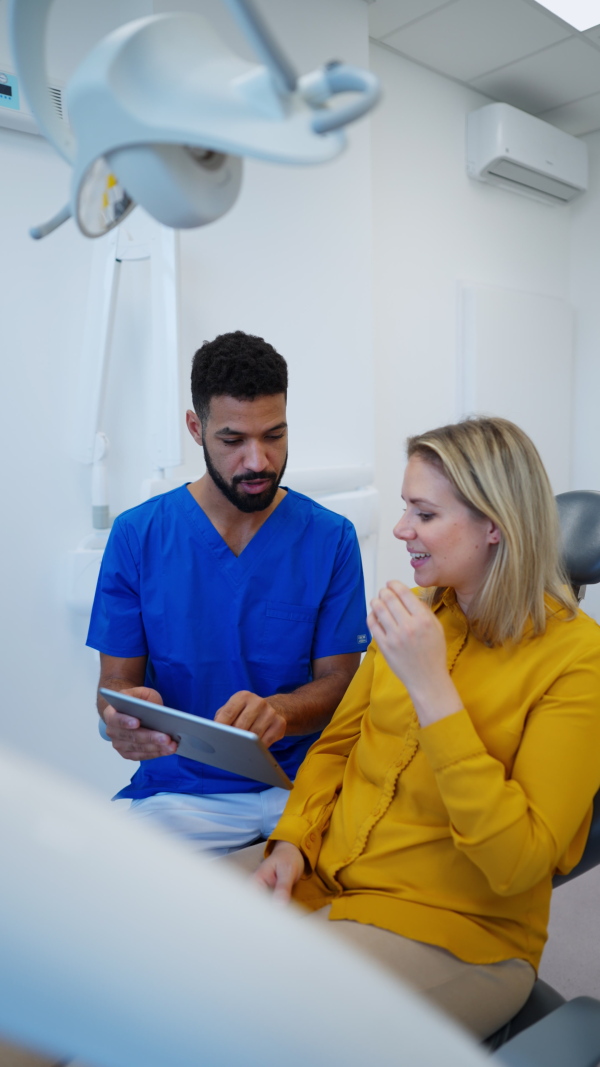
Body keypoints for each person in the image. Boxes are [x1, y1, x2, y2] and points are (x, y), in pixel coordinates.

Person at [248, 416, 600, 1039]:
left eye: (425, 514)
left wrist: (433, 687)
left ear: (495, 525)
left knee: (251, 1022)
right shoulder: (411, 614)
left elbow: (517, 863)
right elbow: (337, 749)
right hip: (325, 876)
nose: (402, 530)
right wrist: (292, 841)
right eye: (406, 508)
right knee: (134, 940)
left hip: (457, 931)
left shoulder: (578, 661)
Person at [87, 330, 367, 854]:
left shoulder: (330, 538)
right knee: (108, 895)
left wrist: (281, 712)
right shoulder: (139, 536)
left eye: (274, 435)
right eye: (234, 440)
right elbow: (115, 684)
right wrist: (120, 719)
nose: (258, 461)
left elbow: (340, 683)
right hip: (183, 793)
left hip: (307, 786)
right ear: (196, 428)